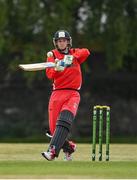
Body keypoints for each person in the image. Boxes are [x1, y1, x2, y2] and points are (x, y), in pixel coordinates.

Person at [41, 30, 90, 161]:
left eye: (64, 41)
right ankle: (69, 148)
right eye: (59, 41)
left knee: (65, 119)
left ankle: (52, 152)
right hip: (57, 94)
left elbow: (86, 51)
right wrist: (57, 68)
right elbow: (49, 74)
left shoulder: (74, 53)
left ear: (68, 42)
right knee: (53, 131)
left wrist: (72, 58)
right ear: (56, 43)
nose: (61, 43)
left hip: (73, 93)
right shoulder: (52, 55)